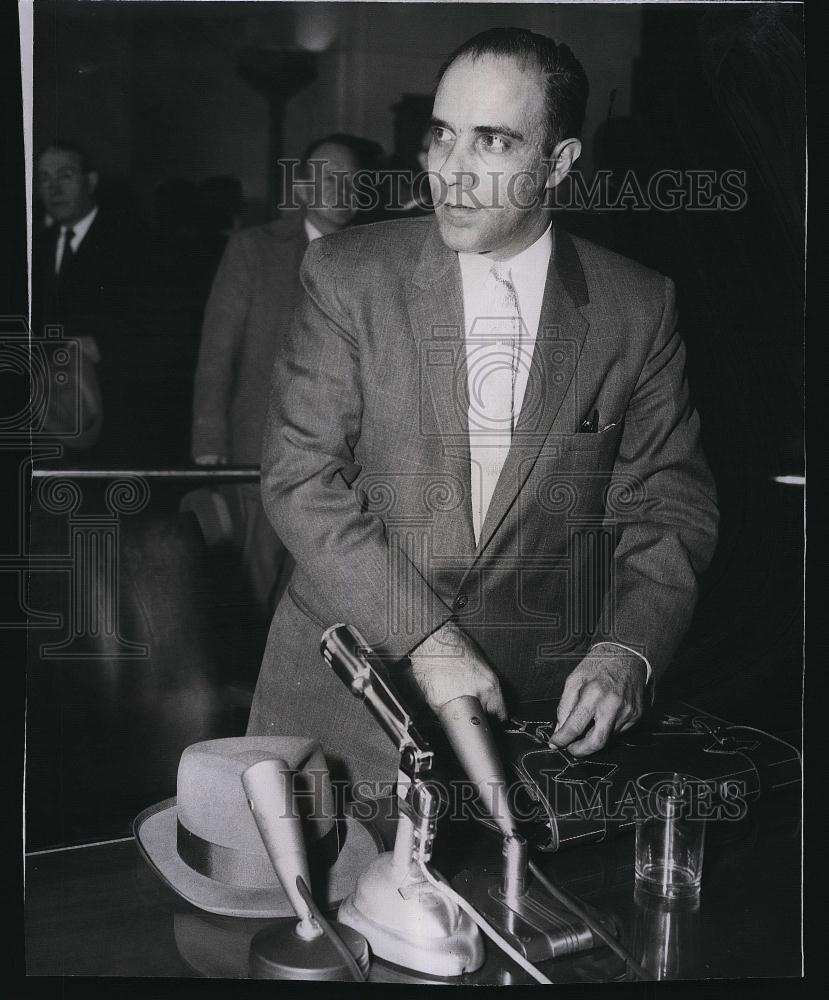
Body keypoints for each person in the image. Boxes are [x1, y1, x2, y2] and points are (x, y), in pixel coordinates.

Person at [246, 28, 719, 791]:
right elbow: (301, 479)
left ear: (558, 163)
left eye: (492, 141)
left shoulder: (638, 307)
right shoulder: (346, 272)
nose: (450, 171)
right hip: (340, 696)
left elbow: (669, 505)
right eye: (441, 135)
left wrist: (627, 650)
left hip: (528, 724)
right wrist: (428, 640)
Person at [190, 135, 368, 614]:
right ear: (303, 187)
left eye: (353, 180)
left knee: (314, 599)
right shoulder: (254, 249)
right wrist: (209, 443)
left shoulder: (374, 257)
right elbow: (216, 352)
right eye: (330, 179)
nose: (343, 190)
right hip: (259, 455)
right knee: (251, 587)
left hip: (341, 465)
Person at [32, 141, 145, 459]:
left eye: (65, 175)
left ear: (90, 181)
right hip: (43, 421)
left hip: (109, 422)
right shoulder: (35, 246)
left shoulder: (135, 243)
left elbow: (162, 328)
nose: (53, 188)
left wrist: (103, 345)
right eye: (44, 177)